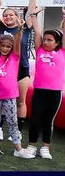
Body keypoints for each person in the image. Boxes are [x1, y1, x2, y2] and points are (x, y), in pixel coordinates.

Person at [0, 22, 33, 158]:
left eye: (8, 47)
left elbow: (17, 42)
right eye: (3, 46)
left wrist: (19, 30)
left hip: (10, 95)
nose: (5, 49)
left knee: (12, 121)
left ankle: (18, 148)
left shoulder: (14, 58)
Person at [27, 11, 65, 159]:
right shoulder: (40, 50)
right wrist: (34, 17)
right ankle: (31, 145)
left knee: (48, 120)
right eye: (45, 39)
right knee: (36, 118)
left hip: (55, 93)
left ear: (57, 43)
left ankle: (45, 147)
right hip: (39, 91)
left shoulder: (62, 52)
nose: (46, 42)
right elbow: (37, 33)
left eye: (50, 40)